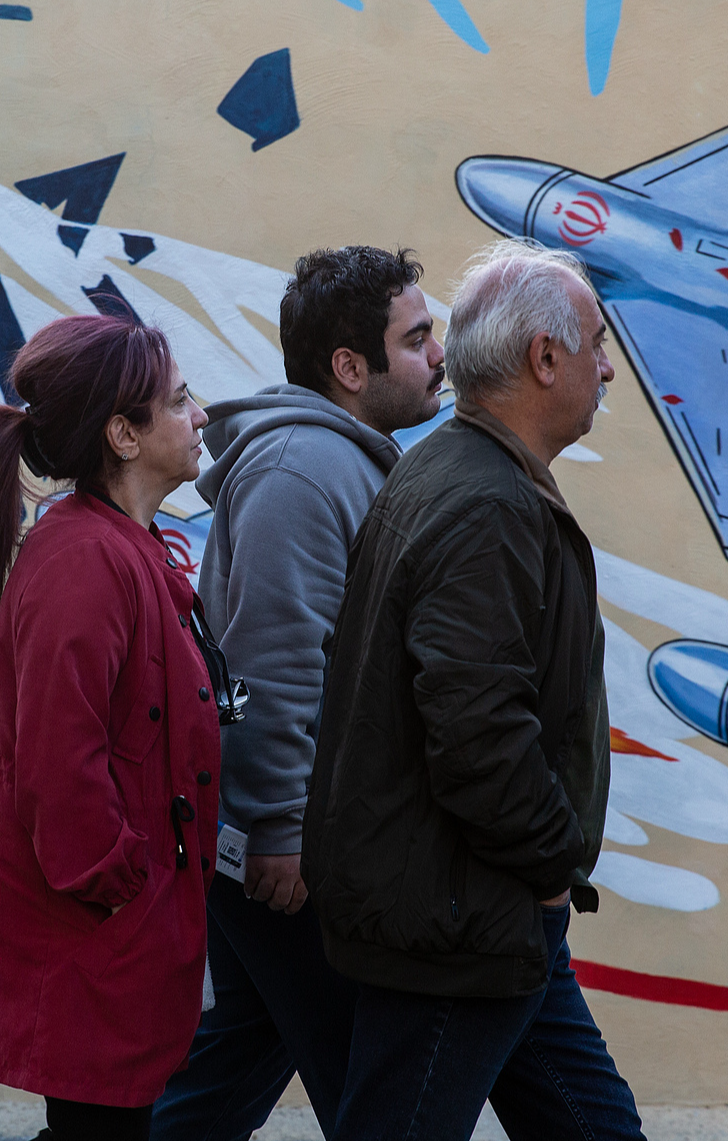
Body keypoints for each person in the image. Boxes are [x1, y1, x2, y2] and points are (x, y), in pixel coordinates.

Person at [303, 239, 645, 1140]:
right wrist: (547, 864)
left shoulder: (461, 472)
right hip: (461, 920)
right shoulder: (486, 503)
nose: (607, 368)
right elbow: (475, 724)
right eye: (596, 343)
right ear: (544, 358)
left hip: (485, 912)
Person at [150, 246, 444, 1140]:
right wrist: (276, 826)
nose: (440, 355)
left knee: (237, 1056)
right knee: (379, 1090)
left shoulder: (342, 461)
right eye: (418, 338)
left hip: (283, 842)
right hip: (290, 856)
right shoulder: (302, 473)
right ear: (349, 368)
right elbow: (268, 666)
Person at [0, 314, 222, 1141]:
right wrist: (127, 887)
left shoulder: (127, 545)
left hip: (121, 925)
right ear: (123, 434)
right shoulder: (85, 558)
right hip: (96, 927)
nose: (200, 416)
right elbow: (62, 767)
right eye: (180, 400)